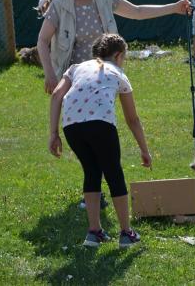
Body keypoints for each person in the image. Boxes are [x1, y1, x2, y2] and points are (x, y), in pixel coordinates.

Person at [37, 0, 188, 210]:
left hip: (104, 76)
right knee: (83, 130)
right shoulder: (61, 3)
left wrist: (173, 8)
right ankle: (94, 187)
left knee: (100, 130)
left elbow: (138, 12)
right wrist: (50, 73)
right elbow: (42, 41)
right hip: (75, 75)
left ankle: (95, 189)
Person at [49, 34, 150, 248]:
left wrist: (53, 133)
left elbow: (57, 95)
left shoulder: (76, 67)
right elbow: (132, 119)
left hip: (71, 125)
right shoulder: (118, 73)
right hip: (101, 124)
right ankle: (126, 233)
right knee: (114, 173)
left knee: (92, 171)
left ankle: (94, 233)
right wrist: (144, 150)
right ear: (118, 55)